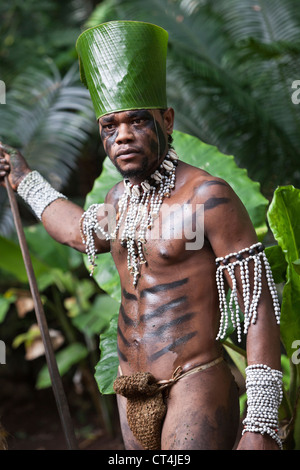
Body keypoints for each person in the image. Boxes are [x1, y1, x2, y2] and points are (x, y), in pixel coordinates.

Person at [0, 21, 282, 451]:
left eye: (137, 121)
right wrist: (24, 179)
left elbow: (258, 303)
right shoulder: (119, 200)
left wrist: (260, 421)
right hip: (131, 388)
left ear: (166, 120)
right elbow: (78, 231)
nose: (123, 135)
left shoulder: (208, 198)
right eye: (110, 127)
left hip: (195, 380)